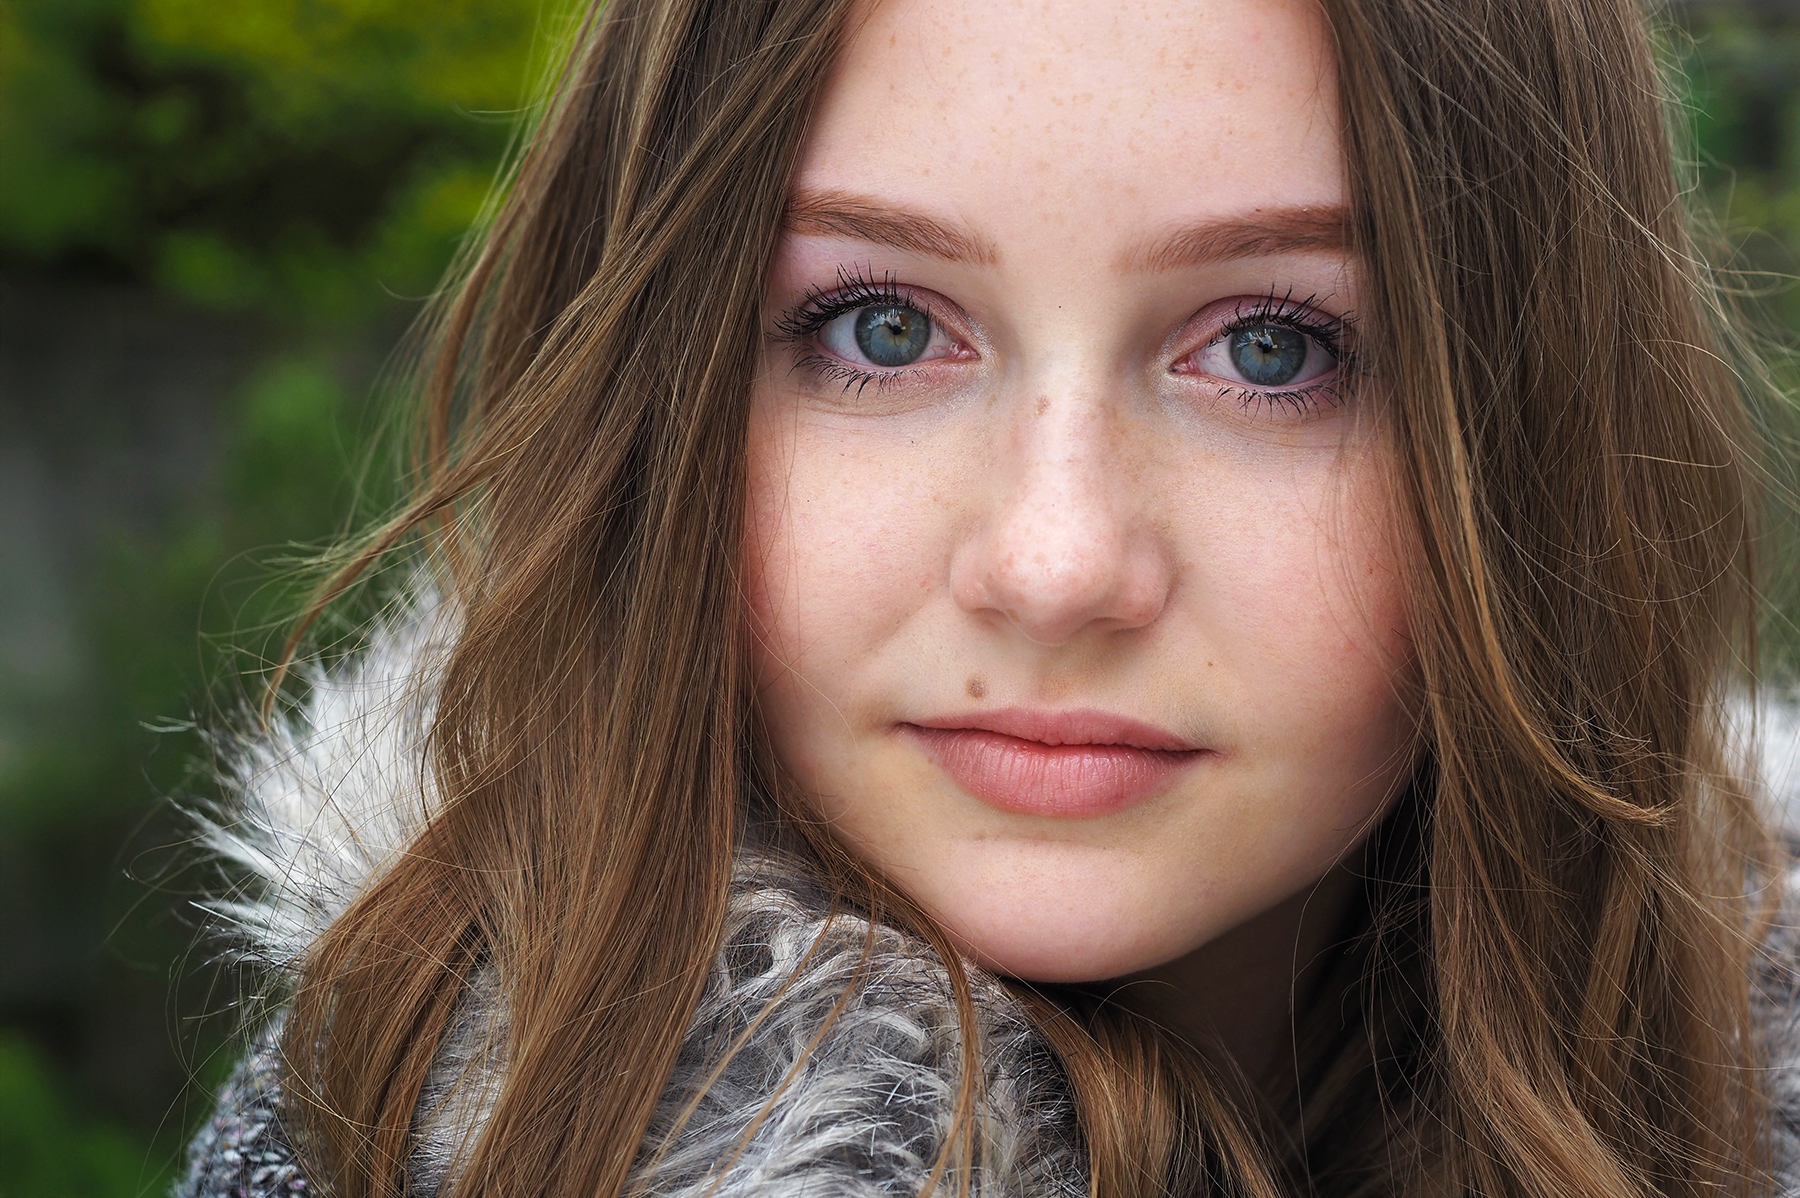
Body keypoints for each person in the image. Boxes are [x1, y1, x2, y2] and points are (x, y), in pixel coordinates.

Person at [177, 0, 1800, 1194]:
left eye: (1273, 347)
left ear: (1529, 438)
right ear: (655, 401)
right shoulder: (371, 1135)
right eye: (882, 327)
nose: (1057, 563)